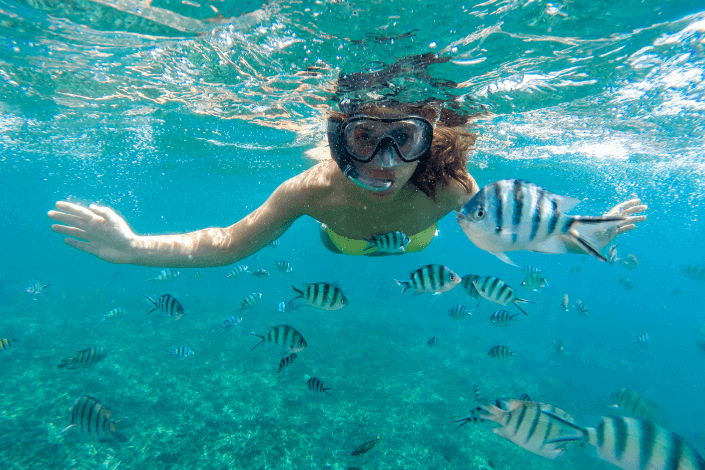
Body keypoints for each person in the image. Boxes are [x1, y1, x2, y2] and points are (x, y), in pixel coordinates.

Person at [47, 97, 646, 267]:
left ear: (429, 142)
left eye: (403, 139)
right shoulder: (309, 191)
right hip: (341, 238)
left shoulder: (453, 190)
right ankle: (346, 245)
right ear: (338, 140)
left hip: (419, 242)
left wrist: (590, 236)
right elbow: (229, 242)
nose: (384, 161)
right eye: (363, 139)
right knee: (342, 245)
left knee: (421, 244)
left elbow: (519, 229)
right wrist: (131, 248)